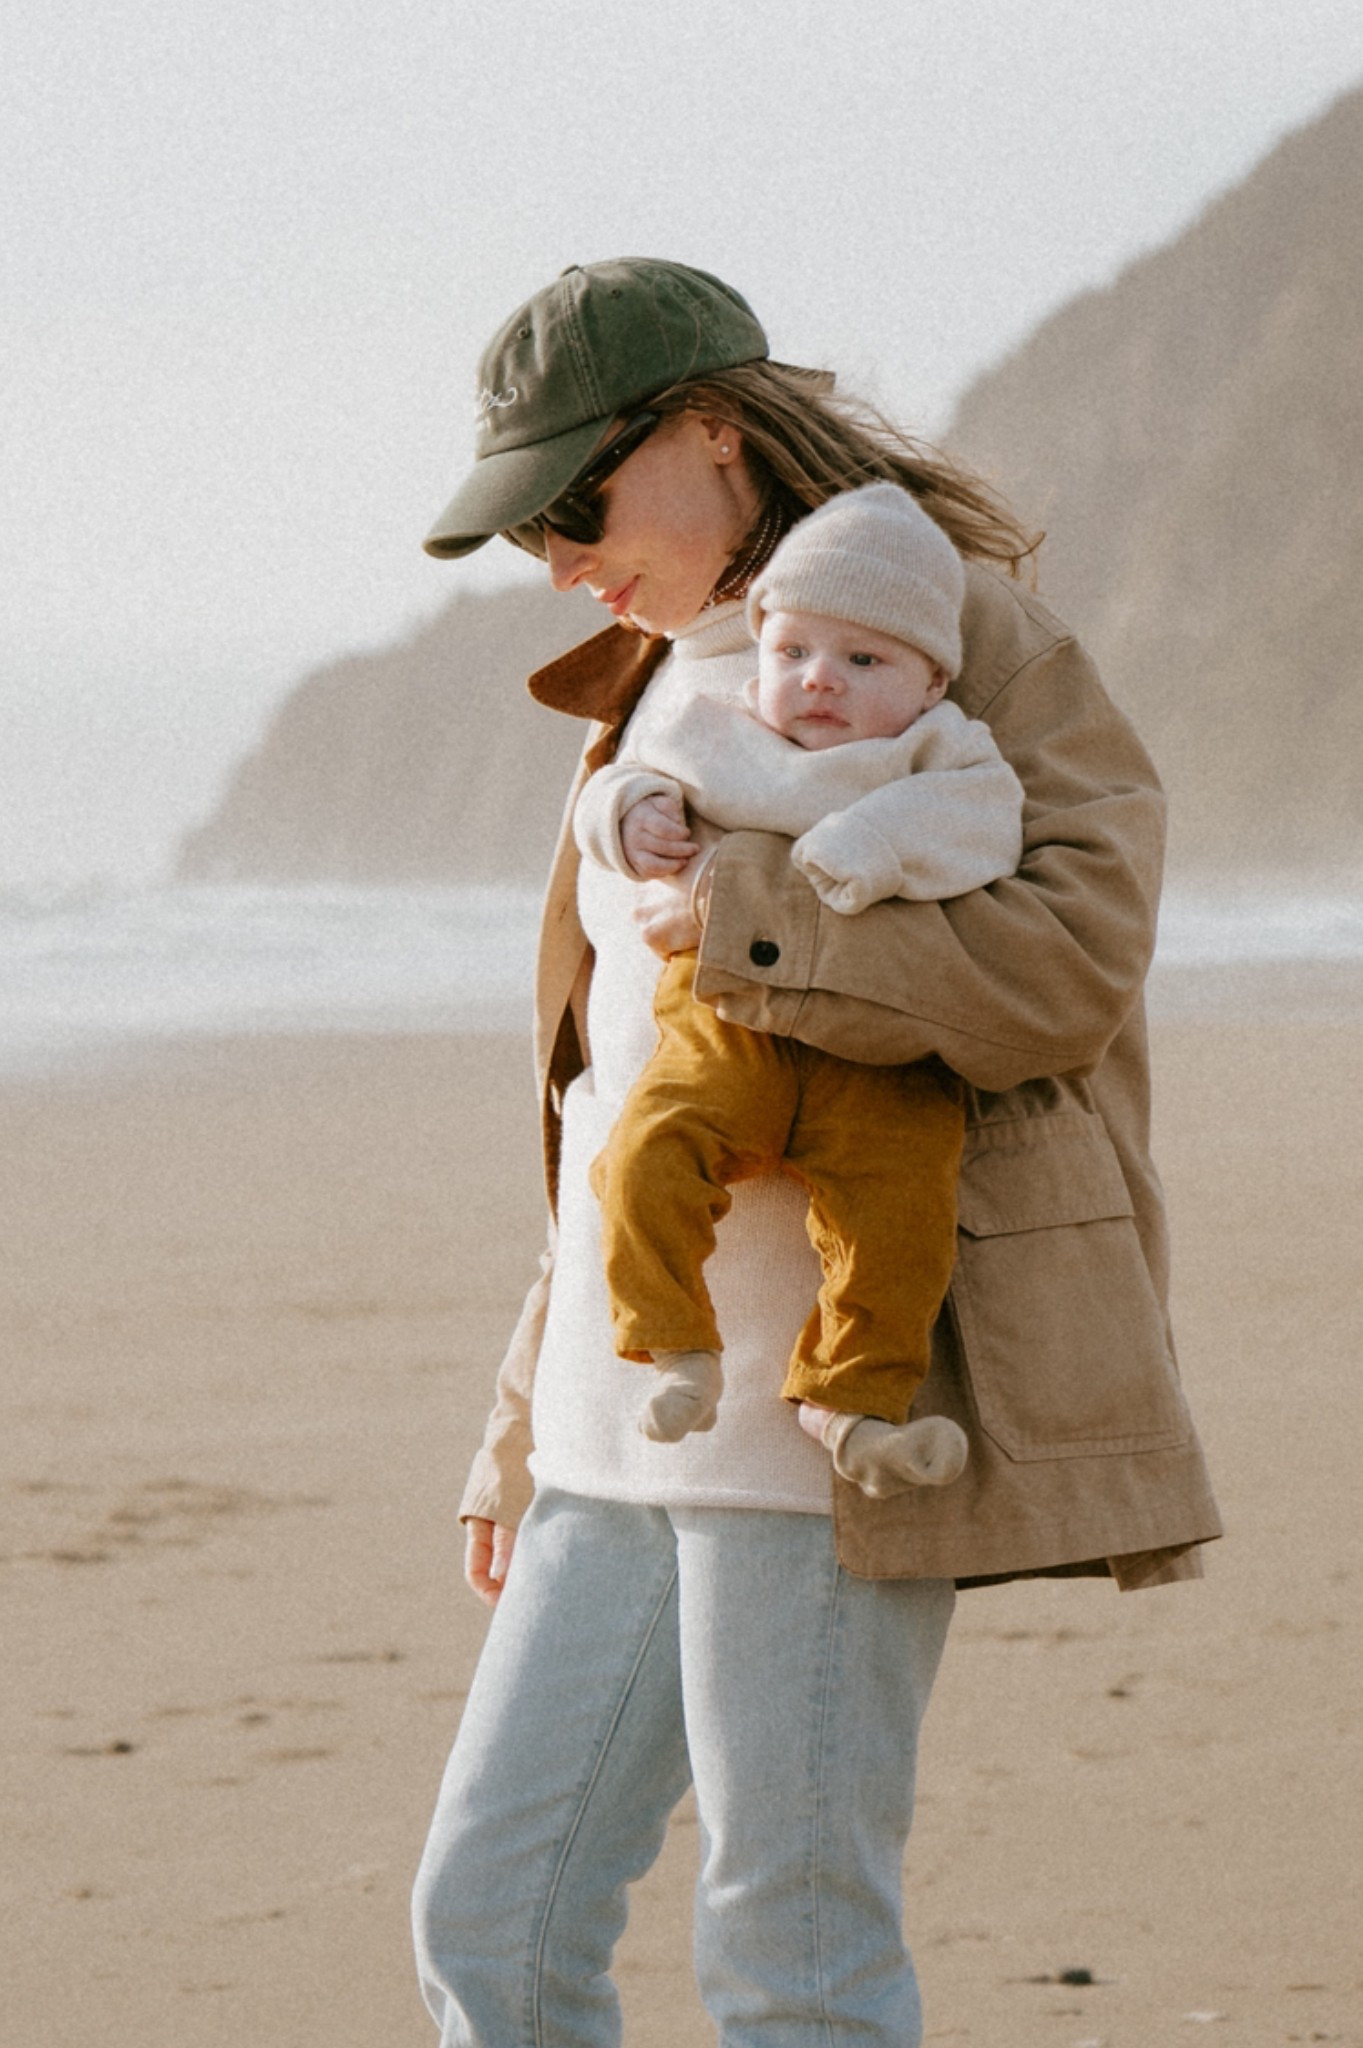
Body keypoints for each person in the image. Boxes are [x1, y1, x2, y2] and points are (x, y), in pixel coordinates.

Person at [411, 257, 1221, 2048]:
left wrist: (755, 907)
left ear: (707, 433)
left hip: (829, 1412)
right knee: (493, 1918)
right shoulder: (646, 688)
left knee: (790, 1951)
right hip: (614, 1421)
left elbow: (1072, 960)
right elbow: (621, 1088)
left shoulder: (956, 639)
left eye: (572, 501)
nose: (557, 560)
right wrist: (518, 1410)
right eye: (525, 531)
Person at [578, 482, 1025, 1495]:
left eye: (862, 660)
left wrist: (861, 842)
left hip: (872, 1044)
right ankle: (675, 1343)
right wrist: (632, 811)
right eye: (792, 652)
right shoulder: (713, 723)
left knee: (904, 1210)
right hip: (724, 1021)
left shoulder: (936, 751)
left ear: (928, 680)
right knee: (647, 1150)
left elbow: (982, 824)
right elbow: (619, 781)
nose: (819, 680)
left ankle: (855, 1399)